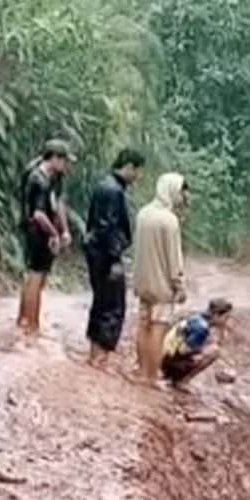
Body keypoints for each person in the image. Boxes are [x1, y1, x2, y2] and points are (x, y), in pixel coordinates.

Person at [84, 148, 145, 368]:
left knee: (100, 303)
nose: (137, 176)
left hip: (96, 253)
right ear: (128, 166)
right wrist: (114, 259)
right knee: (112, 306)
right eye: (137, 171)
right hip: (105, 256)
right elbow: (107, 227)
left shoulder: (104, 185)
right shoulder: (113, 191)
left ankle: (94, 355)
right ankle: (100, 359)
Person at [134, 173, 189, 385]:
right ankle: (151, 375)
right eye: (182, 191)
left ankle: (141, 369)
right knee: (158, 326)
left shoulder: (143, 214)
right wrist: (180, 285)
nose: (183, 196)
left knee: (143, 324)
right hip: (162, 285)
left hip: (143, 280)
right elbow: (174, 258)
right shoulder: (169, 220)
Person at [16, 139, 72, 342]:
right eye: (63, 160)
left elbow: (58, 203)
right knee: (36, 278)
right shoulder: (38, 179)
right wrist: (54, 234)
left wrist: (63, 229)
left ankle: (24, 320)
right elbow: (39, 214)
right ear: (54, 158)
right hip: (36, 231)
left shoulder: (52, 177)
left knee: (33, 276)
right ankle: (32, 325)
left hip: (41, 230)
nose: (65, 165)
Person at [159, 298, 232, 393]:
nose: (226, 321)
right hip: (171, 363)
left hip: (165, 357)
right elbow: (184, 350)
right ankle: (182, 381)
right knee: (214, 351)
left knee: (208, 346)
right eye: (226, 317)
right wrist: (200, 350)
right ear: (216, 315)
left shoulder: (197, 317)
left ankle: (173, 376)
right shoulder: (202, 328)